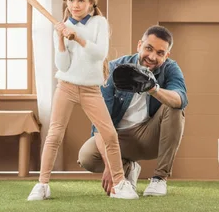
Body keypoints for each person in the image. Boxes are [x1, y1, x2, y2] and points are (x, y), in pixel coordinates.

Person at [27, 0, 138, 201]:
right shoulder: (62, 26)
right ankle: (42, 184)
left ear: (90, 2)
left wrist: (76, 37)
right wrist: (60, 39)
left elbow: (99, 54)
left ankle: (119, 183)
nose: (75, 5)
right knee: (54, 134)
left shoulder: (99, 23)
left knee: (109, 134)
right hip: (66, 86)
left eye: (81, 0)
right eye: (71, 0)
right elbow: (62, 66)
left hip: (90, 89)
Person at [78, 25, 188, 197]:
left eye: (160, 53)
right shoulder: (114, 69)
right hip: (118, 139)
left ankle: (160, 179)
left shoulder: (170, 68)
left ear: (166, 55)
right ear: (139, 46)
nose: (152, 57)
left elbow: (181, 99)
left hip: (150, 137)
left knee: (174, 107)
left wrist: (153, 89)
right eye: (148, 48)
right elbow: (100, 124)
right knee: (87, 157)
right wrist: (112, 169)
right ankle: (129, 168)